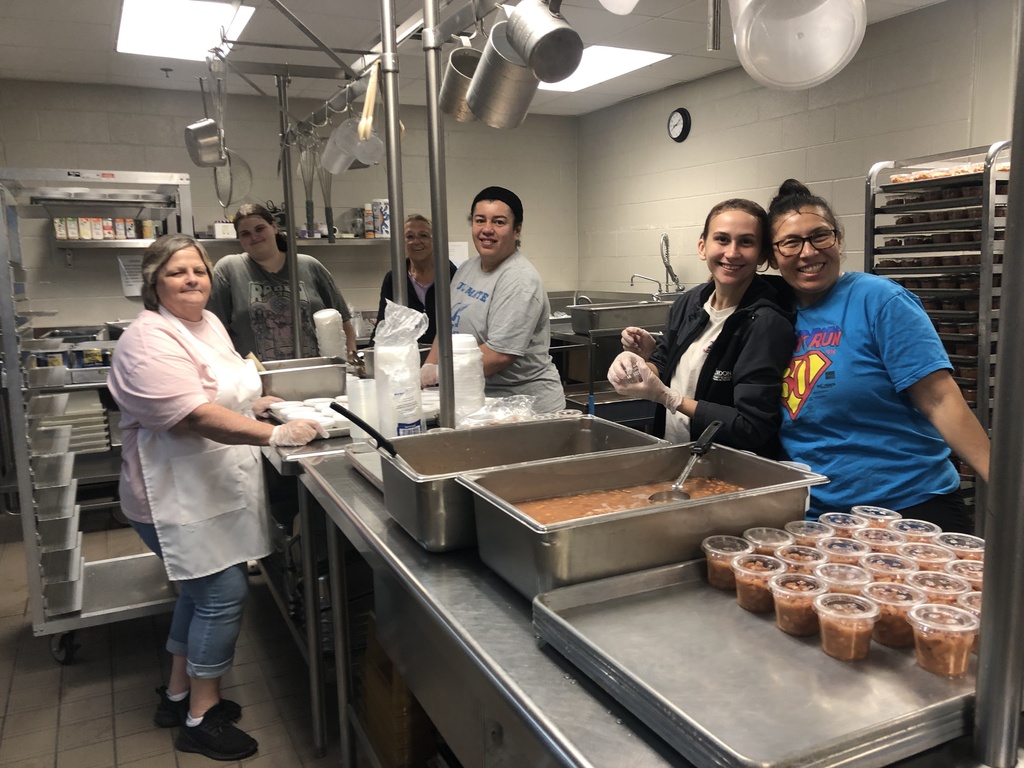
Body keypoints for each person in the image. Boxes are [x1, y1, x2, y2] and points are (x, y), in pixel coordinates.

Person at [107, 234, 327, 761]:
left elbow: (226, 392)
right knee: (222, 594)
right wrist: (275, 434)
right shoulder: (147, 339)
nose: (191, 280)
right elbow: (196, 413)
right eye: (177, 272)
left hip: (211, 487)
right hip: (172, 497)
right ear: (154, 282)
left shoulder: (207, 325)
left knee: (196, 593)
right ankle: (201, 718)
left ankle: (178, 695)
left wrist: (262, 402)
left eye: (199, 271)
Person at [767, 178, 990, 531]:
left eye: (820, 236)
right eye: (790, 243)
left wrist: (1003, 481)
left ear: (838, 239)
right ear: (773, 255)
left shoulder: (879, 301)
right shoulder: (772, 315)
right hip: (817, 513)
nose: (808, 253)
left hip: (910, 506)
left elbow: (939, 398)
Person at [606, 199, 795, 457]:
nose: (732, 252)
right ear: (702, 246)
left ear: (762, 254)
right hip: (675, 452)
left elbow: (752, 426)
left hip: (726, 467)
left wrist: (670, 399)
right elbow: (664, 365)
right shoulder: (689, 304)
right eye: (722, 239)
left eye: (746, 242)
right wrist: (637, 366)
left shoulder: (765, 323)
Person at [421, 186, 565, 413]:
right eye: (480, 220)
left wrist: (441, 374)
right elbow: (447, 327)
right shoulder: (467, 268)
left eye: (498, 222)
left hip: (524, 407)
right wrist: (429, 366)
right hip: (479, 400)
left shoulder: (519, 280)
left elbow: (499, 355)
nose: (487, 229)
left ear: (516, 230)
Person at [207, 203, 356, 362]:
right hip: (257, 379)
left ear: (274, 227)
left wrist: (348, 363)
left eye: (259, 229)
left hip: (315, 375)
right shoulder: (229, 270)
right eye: (245, 234)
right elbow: (213, 332)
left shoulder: (309, 267)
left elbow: (344, 321)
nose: (254, 237)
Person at [369, 213, 457, 345]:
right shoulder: (394, 279)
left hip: (446, 355)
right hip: (408, 357)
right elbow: (384, 323)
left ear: (435, 240)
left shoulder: (452, 275)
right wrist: (372, 359)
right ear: (402, 242)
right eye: (410, 236)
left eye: (423, 235)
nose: (416, 241)